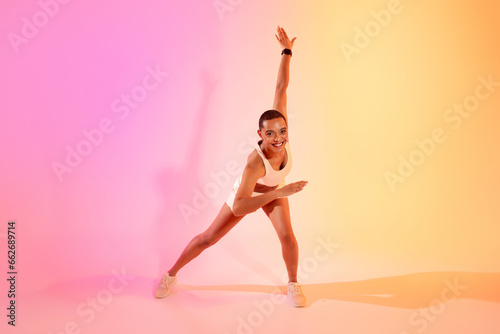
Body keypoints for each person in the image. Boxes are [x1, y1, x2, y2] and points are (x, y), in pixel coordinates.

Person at [154, 25, 309, 307]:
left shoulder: (281, 129)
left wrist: (287, 51)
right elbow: (240, 207)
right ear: (260, 134)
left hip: (275, 190)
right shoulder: (254, 164)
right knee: (207, 239)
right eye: (271, 133)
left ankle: (293, 283)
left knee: (287, 237)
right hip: (248, 195)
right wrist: (277, 194)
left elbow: (281, 87)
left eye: (283, 131)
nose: (279, 138)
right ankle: (171, 274)